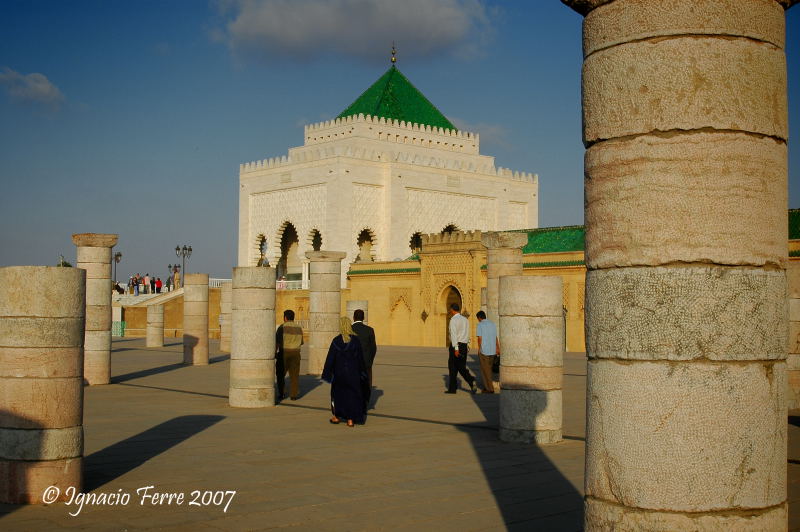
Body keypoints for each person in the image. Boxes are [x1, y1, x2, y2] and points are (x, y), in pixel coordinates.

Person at [322, 317, 370, 427]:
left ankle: (337, 416)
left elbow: (331, 358)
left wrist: (328, 373)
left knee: (338, 395)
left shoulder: (336, 341)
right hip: (353, 373)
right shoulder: (356, 340)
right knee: (353, 395)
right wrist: (363, 372)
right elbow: (360, 358)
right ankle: (350, 419)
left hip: (339, 374)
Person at [445, 303, 477, 394]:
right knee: (459, 366)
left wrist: (455, 348)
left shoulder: (453, 320)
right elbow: (467, 333)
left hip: (456, 346)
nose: (450, 311)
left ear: (452, 310)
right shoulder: (465, 320)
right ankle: (452, 389)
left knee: (454, 366)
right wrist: (467, 344)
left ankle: (470, 380)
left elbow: (454, 335)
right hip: (463, 345)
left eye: (450, 310)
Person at [275, 309, 303, 401]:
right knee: (294, 375)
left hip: (284, 352)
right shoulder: (299, 328)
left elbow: (278, 342)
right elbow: (301, 342)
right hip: (296, 352)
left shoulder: (282, 327)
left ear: (285, 317)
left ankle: (282, 393)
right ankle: (293, 395)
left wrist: (275, 352)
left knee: (280, 374)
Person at [475, 310, 500, 393]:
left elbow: (479, 338)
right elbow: (495, 337)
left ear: (479, 318)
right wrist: (497, 348)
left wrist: (479, 349)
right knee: (488, 369)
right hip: (492, 350)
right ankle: (487, 387)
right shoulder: (492, 324)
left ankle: (490, 389)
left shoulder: (480, 325)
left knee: (485, 370)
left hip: (484, 351)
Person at [351, 309, 377, 388]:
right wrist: (369, 360)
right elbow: (373, 348)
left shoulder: (348, 329)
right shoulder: (369, 330)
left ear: (353, 318)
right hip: (366, 362)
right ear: (363, 318)